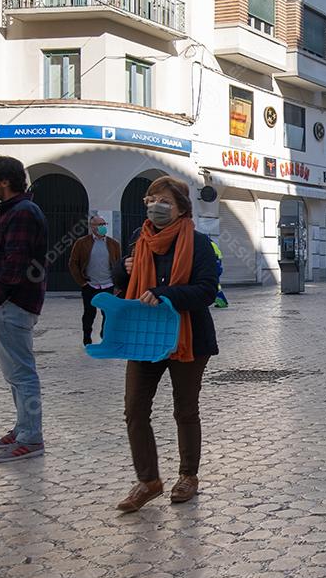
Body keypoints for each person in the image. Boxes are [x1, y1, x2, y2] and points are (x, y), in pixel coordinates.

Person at [112, 176, 219, 511]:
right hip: (144, 338)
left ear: (181, 208)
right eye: (151, 199)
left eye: (164, 202)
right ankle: (148, 481)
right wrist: (123, 269)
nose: (155, 206)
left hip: (188, 338)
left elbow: (207, 291)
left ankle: (188, 476)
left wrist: (165, 294)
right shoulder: (138, 240)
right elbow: (121, 282)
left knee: (185, 410)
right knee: (134, 409)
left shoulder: (198, 243)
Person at [0, 156, 49, 462]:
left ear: (5, 181)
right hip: (9, 301)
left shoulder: (22, 212)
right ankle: (22, 429)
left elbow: (15, 260)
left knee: (22, 373)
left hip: (13, 303)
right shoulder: (12, 211)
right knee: (15, 373)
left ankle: (31, 438)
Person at [69, 214, 121, 345]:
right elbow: (73, 263)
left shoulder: (113, 244)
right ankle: (87, 337)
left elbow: (118, 264)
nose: (103, 227)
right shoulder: (82, 243)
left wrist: (117, 284)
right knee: (89, 313)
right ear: (92, 227)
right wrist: (82, 282)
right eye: (100, 225)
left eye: (104, 224)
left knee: (108, 312)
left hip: (108, 284)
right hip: (90, 285)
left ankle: (105, 334)